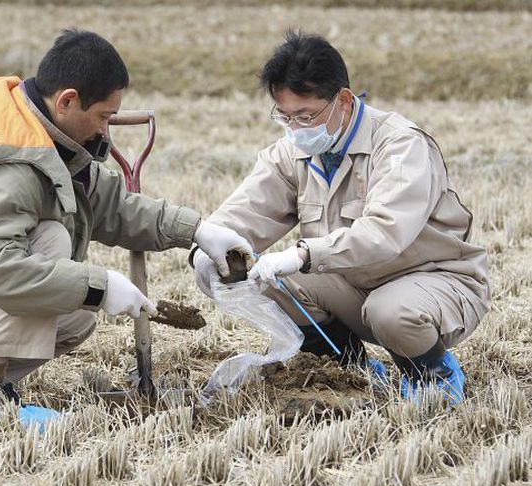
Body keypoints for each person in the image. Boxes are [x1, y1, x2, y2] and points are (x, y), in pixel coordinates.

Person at [0, 29, 251, 428]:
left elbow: (115, 206)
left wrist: (198, 231)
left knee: (74, 316)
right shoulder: (11, 160)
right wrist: (100, 284)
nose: (106, 131)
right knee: (49, 244)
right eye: (103, 117)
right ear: (67, 101)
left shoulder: (42, 136)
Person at [192, 30, 490, 404]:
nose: (295, 129)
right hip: (353, 284)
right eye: (284, 117)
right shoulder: (292, 151)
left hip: (433, 281)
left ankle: (432, 374)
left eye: (305, 115)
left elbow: (385, 232)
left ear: (344, 101)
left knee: (390, 311)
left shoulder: (399, 145)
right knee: (265, 279)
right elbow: (248, 208)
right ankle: (341, 367)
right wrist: (209, 247)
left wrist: (302, 255)